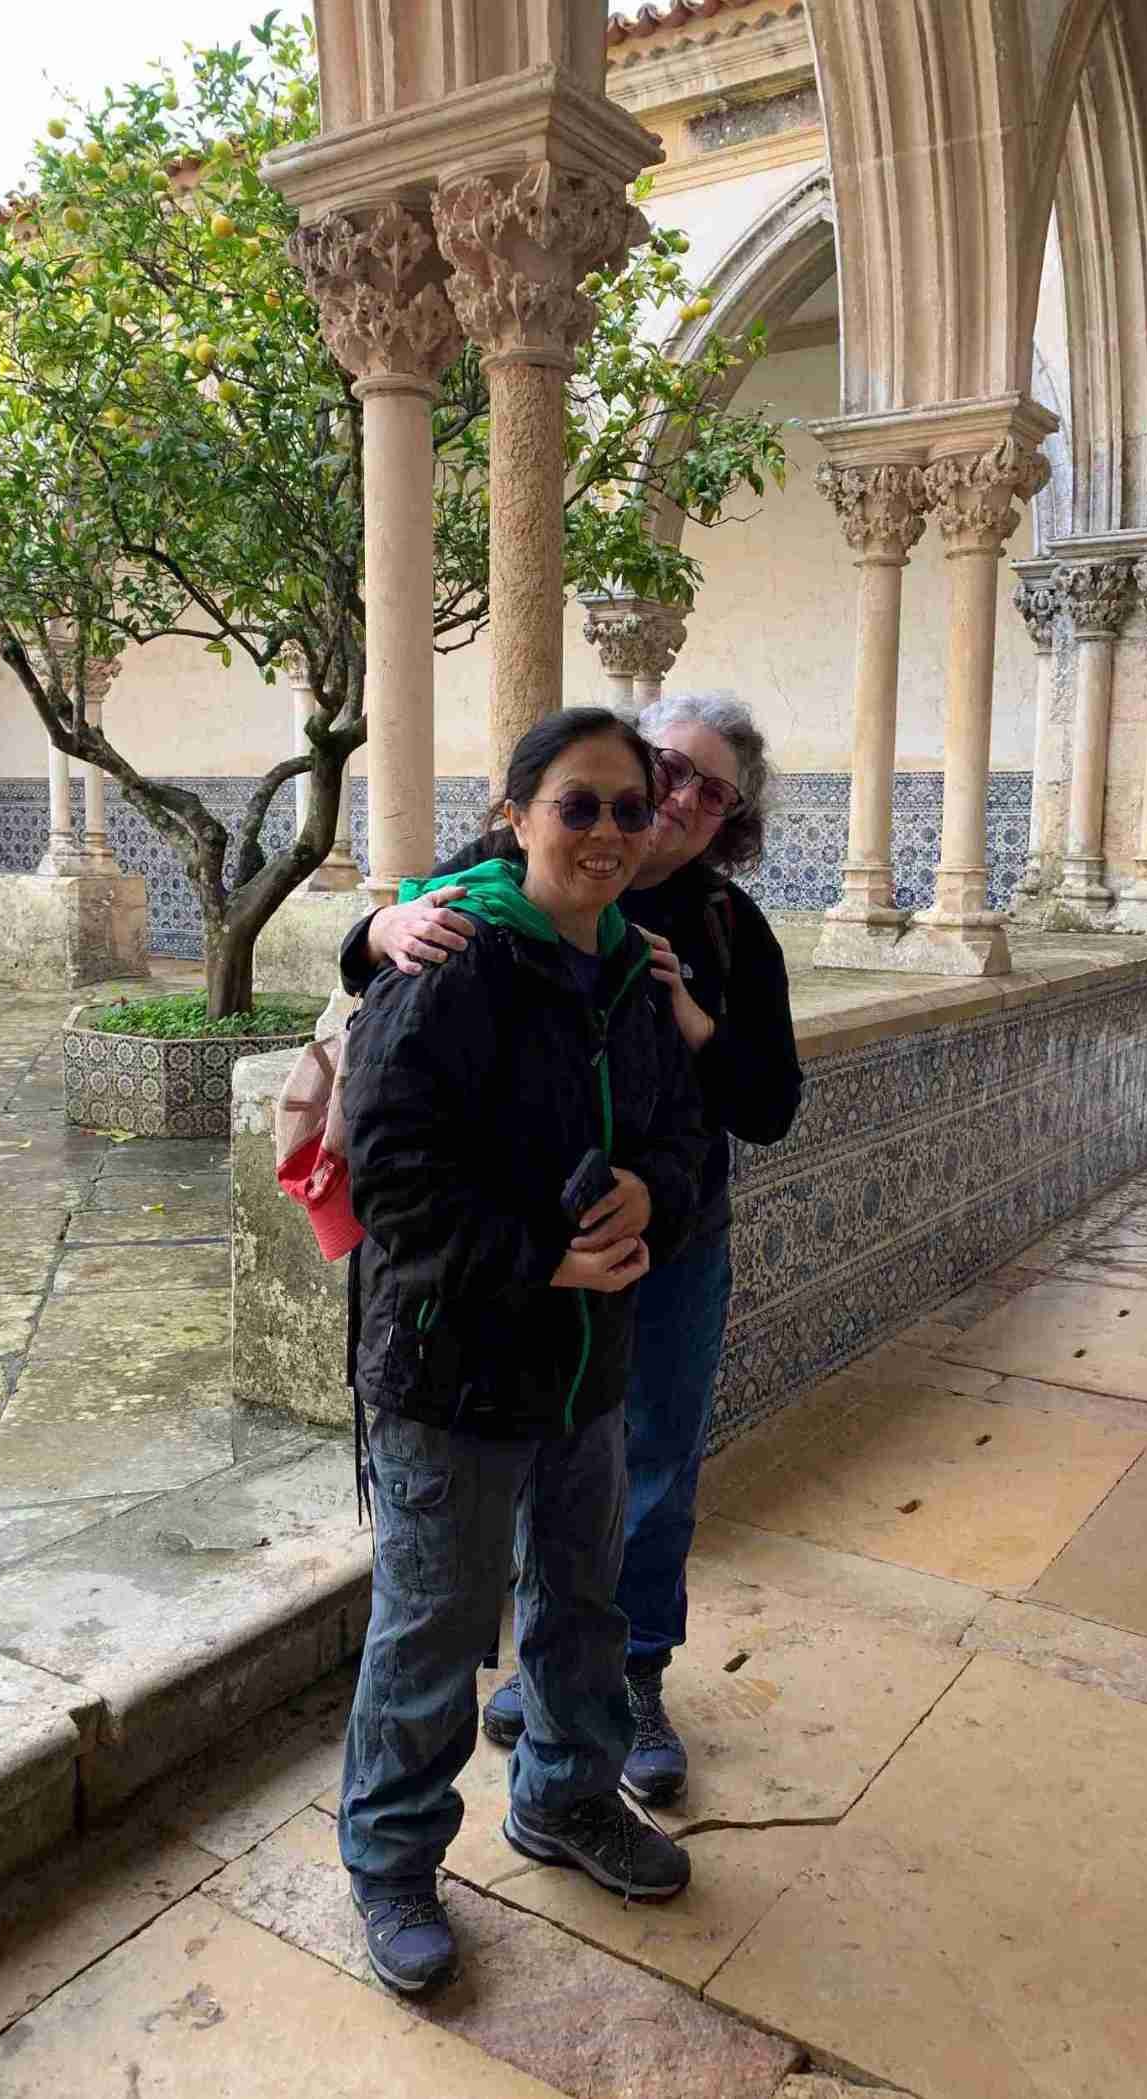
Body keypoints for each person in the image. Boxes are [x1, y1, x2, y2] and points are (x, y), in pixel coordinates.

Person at [343, 693, 802, 1807]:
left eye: (699, 793)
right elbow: (394, 1086)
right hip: (500, 1278)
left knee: (629, 1485)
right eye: (659, 776)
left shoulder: (719, 928)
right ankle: (460, 1788)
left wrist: (688, 1024)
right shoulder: (488, 900)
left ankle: (616, 1699)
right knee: (480, 1548)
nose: (662, 810)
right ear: (530, 815)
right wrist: (370, 930)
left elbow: (757, 1104)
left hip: (663, 1244)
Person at [338, 707, 710, 1997]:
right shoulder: (449, 957)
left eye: (627, 808)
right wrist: (538, 1256)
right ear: (516, 812)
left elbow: (679, 1135)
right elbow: (393, 1181)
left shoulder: (629, 971)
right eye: (577, 804)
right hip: (453, 1363)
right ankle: (390, 1864)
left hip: (582, 1365)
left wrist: (654, 1199)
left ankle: (562, 1796)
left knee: (582, 1599)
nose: (606, 832)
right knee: (435, 1625)